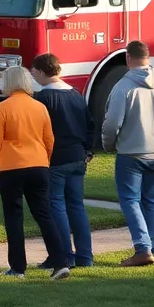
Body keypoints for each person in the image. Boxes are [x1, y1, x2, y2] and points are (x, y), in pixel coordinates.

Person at [102, 41, 154, 267]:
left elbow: (112, 124)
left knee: (130, 199)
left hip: (131, 152)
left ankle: (142, 248)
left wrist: (109, 144)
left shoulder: (123, 86)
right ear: (149, 57)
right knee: (152, 201)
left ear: (128, 58)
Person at [0, 65, 70, 281]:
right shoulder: (39, 107)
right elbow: (49, 139)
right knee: (44, 214)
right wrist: (45, 160)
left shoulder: (3, 108)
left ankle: (18, 268)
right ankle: (60, 262)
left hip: (11, 167)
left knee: (14, 217)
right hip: (39, 165)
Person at [31, 53, 96, 269]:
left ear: (41, 72)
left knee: (55, 206)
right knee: (76, 206)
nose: (33, 75)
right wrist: (88, 150)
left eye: (34, 72)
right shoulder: (76, 94)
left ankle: (64, 255)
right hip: (78, 156)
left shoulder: (41, 99)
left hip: (55, 158)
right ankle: (85, 257)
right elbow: (90, 125)